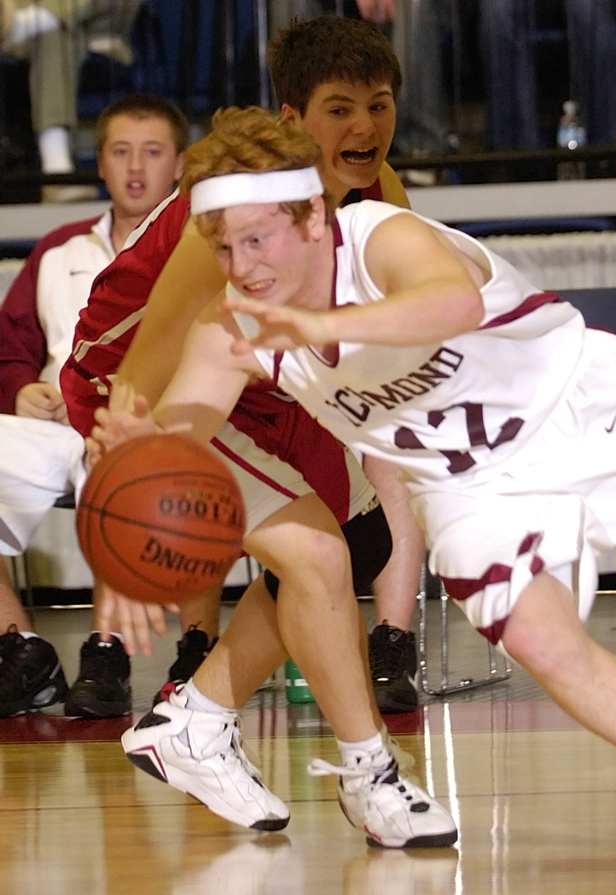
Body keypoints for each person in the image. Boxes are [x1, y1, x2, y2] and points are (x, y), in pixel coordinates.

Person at [111, 104, 616, 874]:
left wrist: (317, 329)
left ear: (310, 216)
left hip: (576, 411)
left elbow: (451, 302)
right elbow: (177, 442)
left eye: (257, 237)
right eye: (226, 246)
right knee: (538, 637)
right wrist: (132, 502)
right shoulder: (232, 322)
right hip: (470, 489)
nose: (243, 265)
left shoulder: (380, 238)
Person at [66, 15, 424, 714]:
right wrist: (122, 486)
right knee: (323, 550)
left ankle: (195, 716)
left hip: (261, 379)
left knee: (365, 538)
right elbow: (154, 351)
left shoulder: (381, 189)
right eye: (340, 109)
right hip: (133, 379)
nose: (364, 127)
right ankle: (205, 713)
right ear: (293, 117)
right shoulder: (239, 206)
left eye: (378, 105)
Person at [0, 92, 187, 718]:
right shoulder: (57, 249)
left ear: (180, 165)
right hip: (57, 420)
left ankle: (106, 653)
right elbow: (11, 347)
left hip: (151, 426)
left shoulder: (196, 245)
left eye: (153, 152)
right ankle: (18, 647)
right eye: (121, 151)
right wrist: (20, 390)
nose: (136, 167)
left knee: (114, 456)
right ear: (99, 164)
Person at [0, 0, 144, 201]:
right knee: (54, 35)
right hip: (28, 37)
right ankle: (57, 169)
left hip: (98, 28)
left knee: (53, 33)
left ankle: (35, 20)